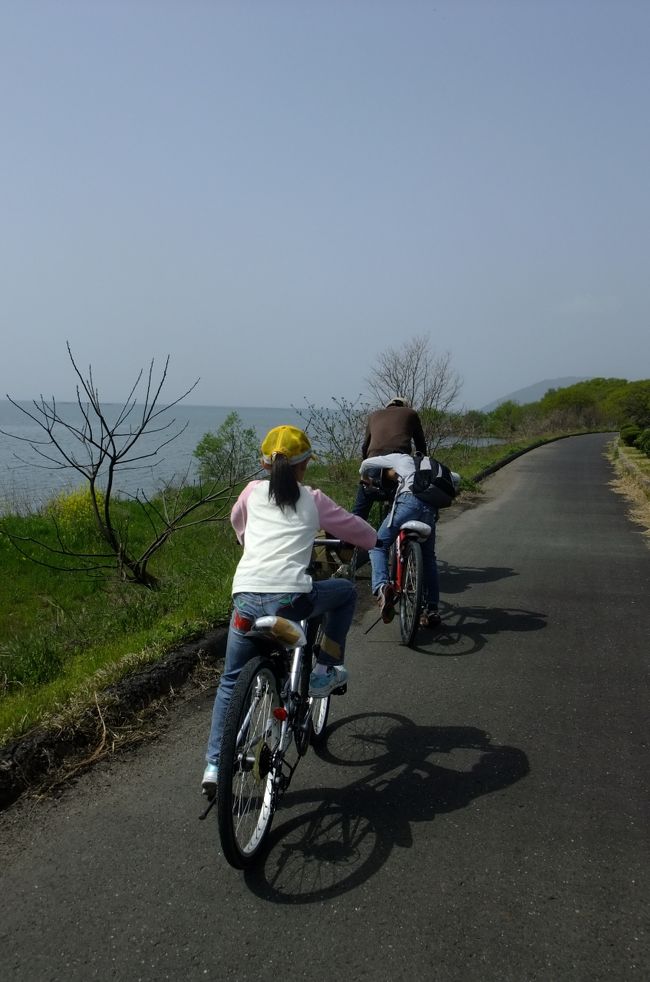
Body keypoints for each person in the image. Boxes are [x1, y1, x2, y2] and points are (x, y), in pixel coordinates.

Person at [202, 425, 377, 797]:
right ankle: (324, 670)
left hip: (245, 598)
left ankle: (215, 765)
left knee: (231, 681)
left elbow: (238, 522)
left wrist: (249, 543)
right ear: (305, 464)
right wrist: (375, 538)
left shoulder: (250, 492)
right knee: (344, 592)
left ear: (265, 464)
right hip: (290, 600)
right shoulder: (313, 499)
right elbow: (361, 533)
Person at [359, 452, 460, 630]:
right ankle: (432, 608)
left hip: (408, 502)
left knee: (377, 546)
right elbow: (455, 479)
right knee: (429, 558)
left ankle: (382, 587)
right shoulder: (434, 464)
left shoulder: (401, 458)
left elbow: (367, 462)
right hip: (430, 510)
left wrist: (364, 477)